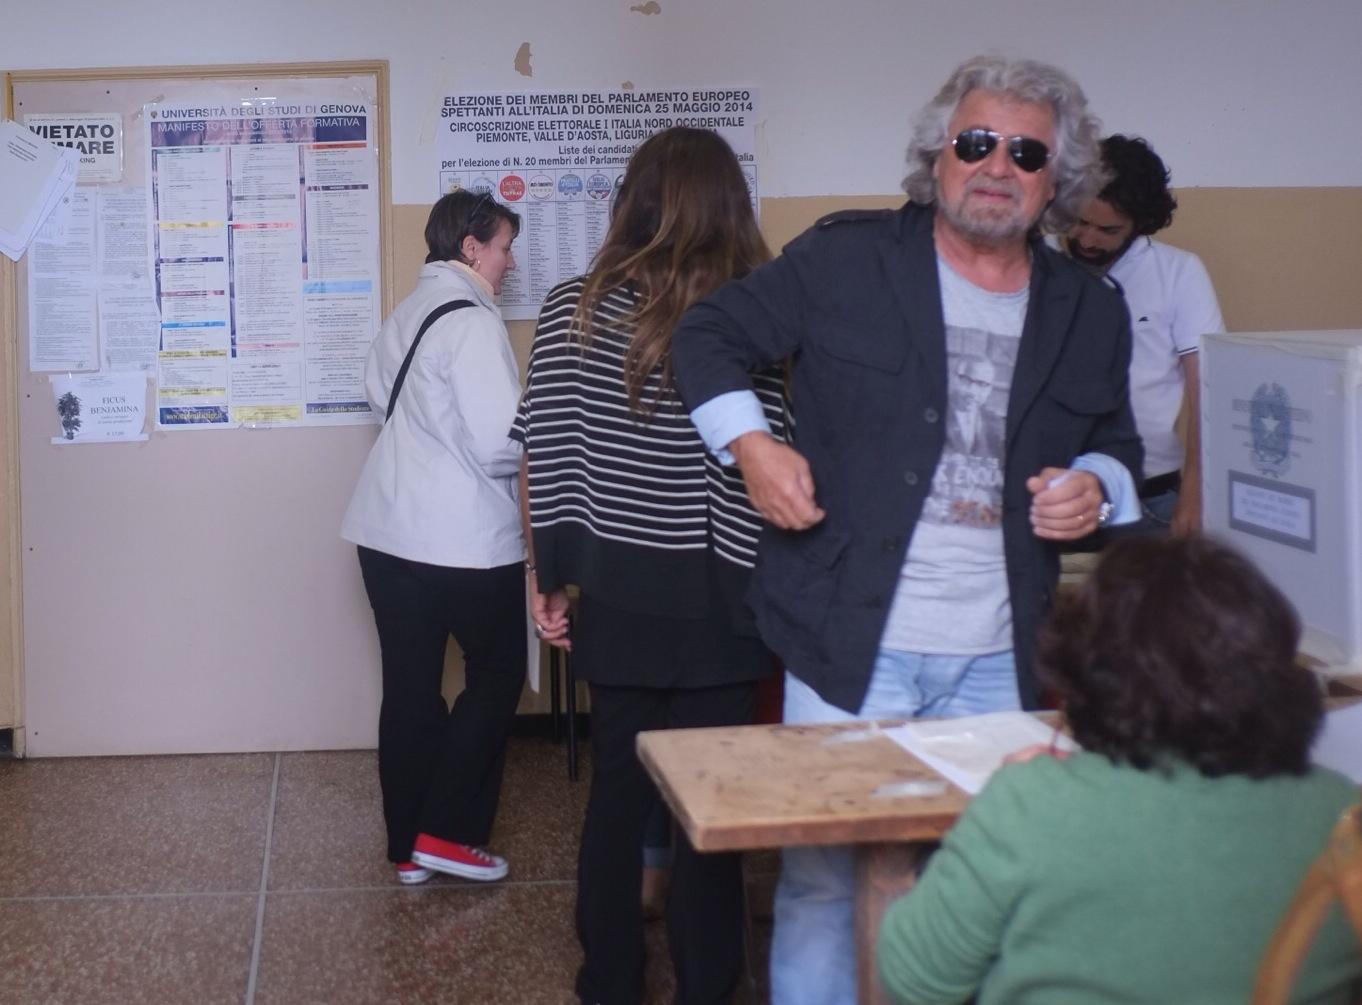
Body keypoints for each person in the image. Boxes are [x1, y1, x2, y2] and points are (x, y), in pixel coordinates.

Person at [671, 55, 1144, 1004]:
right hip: (846, 639)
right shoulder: (845, 259)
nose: (997, 165)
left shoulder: (1091, 309)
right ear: (939, 156)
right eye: (976, 143)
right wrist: (752, 447)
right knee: (822, 878)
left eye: (1026, 153)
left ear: (1056, 180)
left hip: (999, 652)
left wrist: (1099, 487)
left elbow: (1118, 445)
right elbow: (705, 336)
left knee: (984, 877)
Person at [512, 126, 788, 1005]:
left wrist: (544, 577)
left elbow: (542, 453)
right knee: (709, 805)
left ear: (632, 200)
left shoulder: (575, 306)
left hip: (618, 586)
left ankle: (611, 981)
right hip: (725, 594)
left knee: (617, 794)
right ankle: (709, 985)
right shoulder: (759, 314)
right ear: (730, 204)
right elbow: (784, 457)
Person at [876, 535, 1362, 1004]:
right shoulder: (1341, 811)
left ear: (1087, 673)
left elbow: (914, 980)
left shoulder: (1031, 802)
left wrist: (999, 814)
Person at [341, 190, 526, 887]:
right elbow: (499, 443)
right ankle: (446, 833)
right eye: (504, 247)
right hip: (463, 543)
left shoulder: (406, 312)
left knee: (410, 688)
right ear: (471, 248)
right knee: (497, 675)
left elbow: (379, 398)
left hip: (384, 534)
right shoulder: (473, 322)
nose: (510, 263)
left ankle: (407, 849)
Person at [1065, 135, 1225, 534]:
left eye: (1107, 230)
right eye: (1079, 222)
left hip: (1151, 496)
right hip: (1052, 494)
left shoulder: (1178, 272)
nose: (1087, 239)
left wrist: (1194, 495)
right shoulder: (1038, 265)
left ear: (1140, 224)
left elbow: (1207, 389)